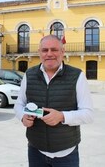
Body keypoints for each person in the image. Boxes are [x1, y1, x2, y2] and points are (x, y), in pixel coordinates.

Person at [14, 34, 94, 167]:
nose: (49, 54)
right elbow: (19, 104)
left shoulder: (77, 76)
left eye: (54, 49)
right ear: (39, 53)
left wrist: (62, 116)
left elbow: (88, 114)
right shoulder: (29, 74)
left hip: (66, 154)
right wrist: (22, 116)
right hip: (35, 151)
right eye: (45, 50)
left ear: (62, 52)